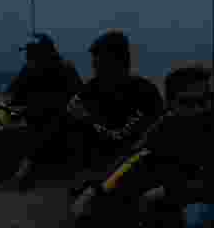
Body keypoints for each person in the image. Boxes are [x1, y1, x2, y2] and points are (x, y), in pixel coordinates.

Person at [71, 64, 214, 228]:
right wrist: (97, 190)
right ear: (171, 104)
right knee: (134, 177)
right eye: (188, 103)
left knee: (192, 220)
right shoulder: (168, 124)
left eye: (206, 100)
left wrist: (169, 192)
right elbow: (135, 156)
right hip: (196, 187)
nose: (200, 108)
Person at [66, 31, 164, 174]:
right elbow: (71, 115)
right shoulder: (92, 88)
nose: (94, 68)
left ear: (119, 62)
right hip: (95, 163)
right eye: (94, 62)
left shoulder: (144, 92)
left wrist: (87, 120)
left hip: (132, 164)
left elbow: (123, 140)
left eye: (100, 63)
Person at [0, 34, 84, 191]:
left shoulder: (66, 69)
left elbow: (79, 101)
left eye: (32, 52)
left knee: (51, 124)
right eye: (27, 52)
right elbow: (11, 95)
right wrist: (8, 105)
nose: (27, 56)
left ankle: (23, 172)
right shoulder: (28, 69)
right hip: (31, 119)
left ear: (46, 52)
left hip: (58, 125)